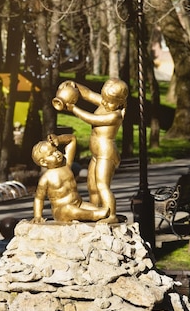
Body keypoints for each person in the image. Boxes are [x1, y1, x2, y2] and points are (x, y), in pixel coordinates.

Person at [54, 78, 129, 223]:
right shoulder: (106, 103)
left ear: (120, 102)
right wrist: (74, 85)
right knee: (92, 186)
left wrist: (74, 109)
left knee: (102, 185)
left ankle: (111, 214)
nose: (105, 103)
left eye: (110, 102)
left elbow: (92, 119)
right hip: (96, 154)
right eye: (105, 99)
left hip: (106, 154)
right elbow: (87, 94)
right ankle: (96, 211)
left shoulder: (116, 115)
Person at [31, 134, 109, 223]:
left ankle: (97, 214)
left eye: (56, 150)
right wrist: (37, 216)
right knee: (69, 209)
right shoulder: (46, 178)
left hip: (79, 204)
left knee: (94, 208)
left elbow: (72, 139)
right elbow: (39, 198)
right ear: (43, 162)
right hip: (61, 211)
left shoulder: (66, 164)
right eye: (51, 154)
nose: (56, 154)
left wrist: (58, 139)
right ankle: (94, 216)